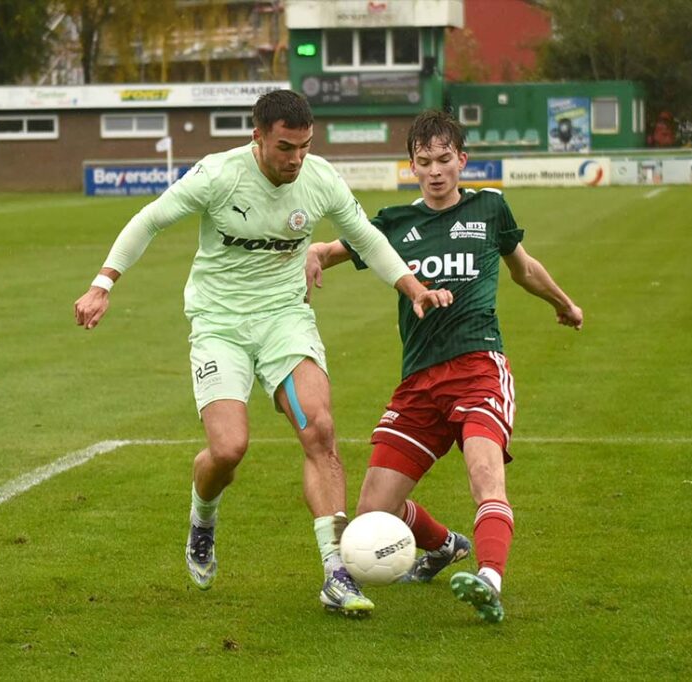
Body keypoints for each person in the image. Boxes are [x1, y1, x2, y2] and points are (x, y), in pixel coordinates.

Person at [73, 90, 452, 617]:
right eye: (284, 147)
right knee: (228, 450)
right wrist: (102, 284)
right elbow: (150, 220)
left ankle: (336, 573)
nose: (295, 158)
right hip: (219, 325)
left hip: (284, 321)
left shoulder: (318, 179)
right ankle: (202, 518)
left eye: (304, 145)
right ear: (258, 137)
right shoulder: (218, 175)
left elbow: (366, 238)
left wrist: (414, 289)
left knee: (318, 429)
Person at [306, 110, 583, 623]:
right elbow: (336, 247)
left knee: (485, 476)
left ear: (462, 160)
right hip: (418, 383)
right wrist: (316, 254)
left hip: (478, 367)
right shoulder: (395, 223)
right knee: (371, 514)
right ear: (411, 166)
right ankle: (443, 546)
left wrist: (563, 303)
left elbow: (522, 267)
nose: (435, 171)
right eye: (424, 161)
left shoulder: (491, 209)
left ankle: (489, 580)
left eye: (444, 159)